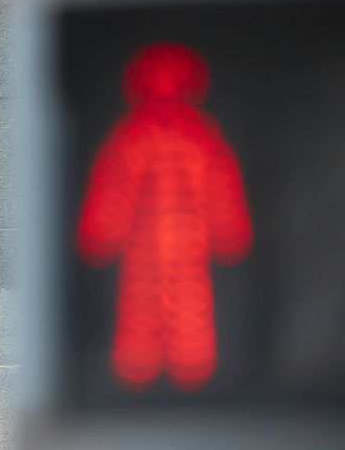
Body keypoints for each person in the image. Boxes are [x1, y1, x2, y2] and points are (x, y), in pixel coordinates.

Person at [76, 42, 252, 391]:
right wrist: (101, 232)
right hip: (142, 248)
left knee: (191, 314)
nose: (164, 88)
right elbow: (112, 187)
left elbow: (222, 187)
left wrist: (230, 230)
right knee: (139, 315)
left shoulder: (200, 135)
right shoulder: (131, 136)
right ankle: (137, 377)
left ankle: (194, 378)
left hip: (189, 245)